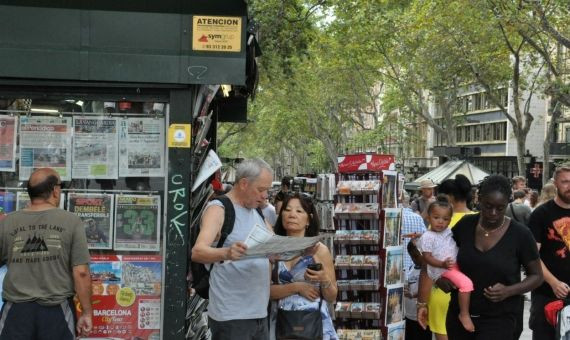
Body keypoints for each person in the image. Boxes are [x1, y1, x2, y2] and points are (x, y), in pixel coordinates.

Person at [418, 175, 543, 340]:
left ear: (508, 203)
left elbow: (537, 276)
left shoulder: (520, 234)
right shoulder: (465, 225)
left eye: (500, 208)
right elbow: (434, 253)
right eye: (488, 206)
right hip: (459, 318)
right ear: (479, 198)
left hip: (500, 320)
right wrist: (438, 279)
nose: (493, 213)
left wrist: (508, 291)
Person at [0, 168, 92, 339]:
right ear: (55, 190)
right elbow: (81, 272)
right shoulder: (71, 221)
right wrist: (87, 313)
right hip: (57, 311)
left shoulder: (8, 222)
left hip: (16, 312)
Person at [191, 158, 273, 340]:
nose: (265, 196)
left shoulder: (258, 212)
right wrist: (226, 253)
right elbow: (198, 252)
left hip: (259, 313)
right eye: (261, 189)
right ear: (244, 183)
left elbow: (273, 244)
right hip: (232, 316)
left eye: (267, 190)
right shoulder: (219, 209)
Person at [270, 193, 337, 340]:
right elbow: (263, 291)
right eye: (287, 210)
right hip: (281, 324)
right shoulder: (273, 250)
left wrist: (324, 279)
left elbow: (332, 296)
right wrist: (297, 287)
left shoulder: (319, 250)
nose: (292, 214)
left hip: (314, 325)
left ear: (309, 219)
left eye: (299, 211)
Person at [418, 174, 474, 339]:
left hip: (442, 292)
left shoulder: (436, 223)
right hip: (470, 296)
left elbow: (427, 266)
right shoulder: (479, 219)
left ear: (449, 198)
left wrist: (421, 303)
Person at [528, 165, 570, 339]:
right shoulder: (540, 214)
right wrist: (554, 282)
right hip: (547, 294)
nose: (569, 186)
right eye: (565, 182)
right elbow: (532, 256)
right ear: (555, 184)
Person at [405, 240, 432, 340]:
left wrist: (412, 294)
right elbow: (408, 285)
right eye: (411, 257)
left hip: (423, 316)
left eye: (416, 256)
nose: (414, 259)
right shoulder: (410, 269)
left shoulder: (429, 270)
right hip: (409, 315)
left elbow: (429, 289)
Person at [401, 192, 427, 272]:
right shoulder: (417, 217)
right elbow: (425, 238)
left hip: (400, 262)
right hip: (413, 262)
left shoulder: (397, 216)